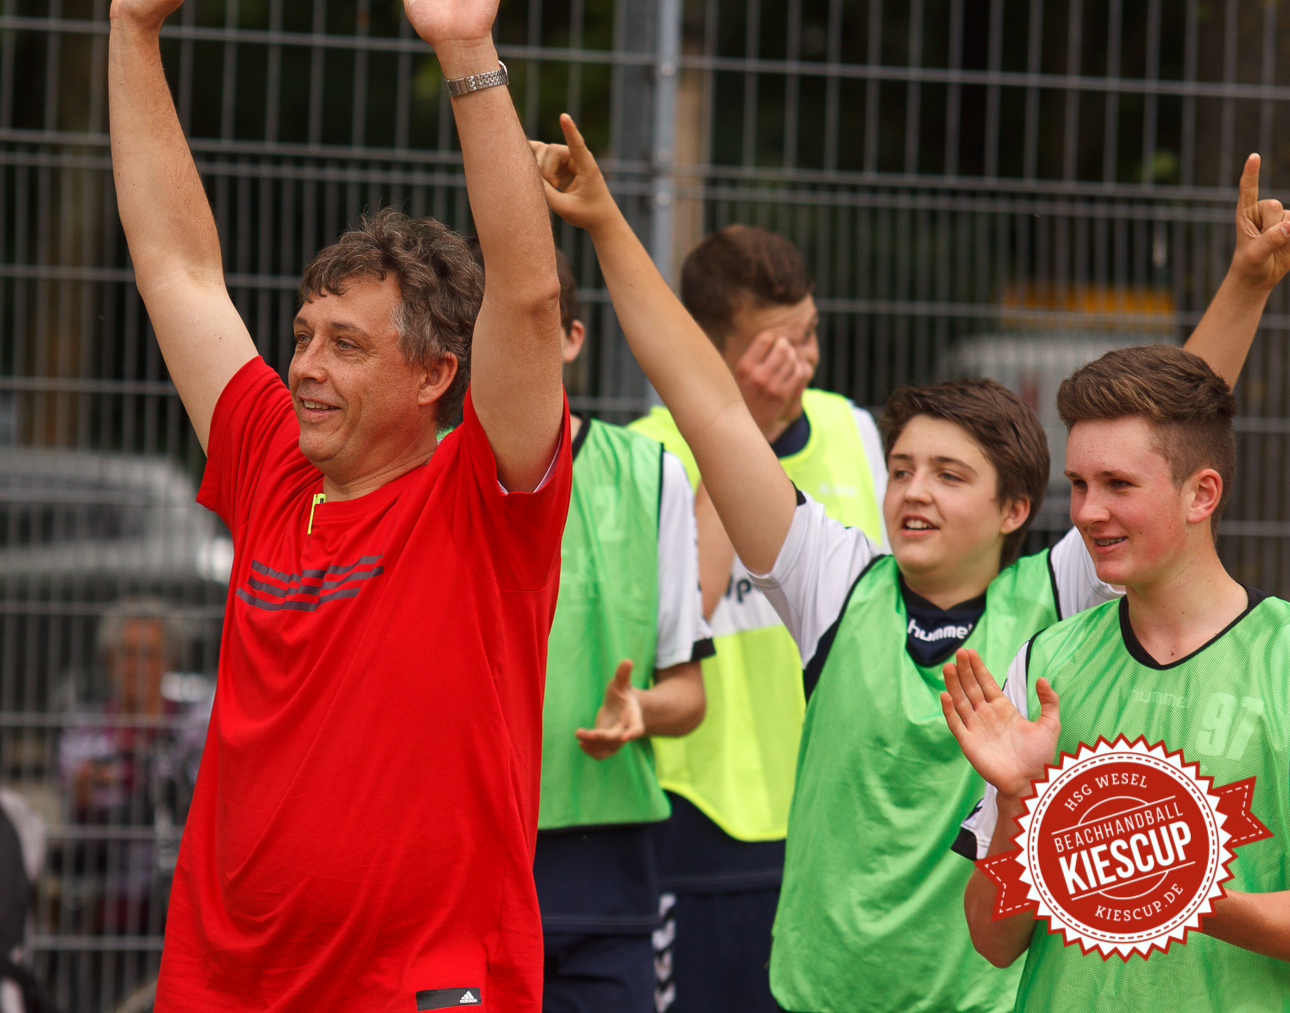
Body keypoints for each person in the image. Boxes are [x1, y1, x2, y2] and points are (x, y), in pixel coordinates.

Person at [530, 115, 1285, 1013]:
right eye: (900, 469)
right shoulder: (837, 585)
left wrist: (1245, 283)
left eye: (949, 474)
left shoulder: (1054, 602)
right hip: (820, 995)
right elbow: (714, 412)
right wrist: (608, 224)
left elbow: (1159, 445)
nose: (913, 492)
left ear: (1013, 511)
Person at [108, 0, 570, 1007]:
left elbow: (529, 296)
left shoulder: (484, 496)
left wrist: (466, 52)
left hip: (417, 985)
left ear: (434, 373)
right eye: (304, 335)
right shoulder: (272, 457)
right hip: (224, 980)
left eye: (347, 346)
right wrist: (132, 35)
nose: (305, 366)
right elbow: (175, 262)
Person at [945, 356, 1290, 1004]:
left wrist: (1167, 884)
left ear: (1202, 494)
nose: (1086, 511)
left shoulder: (1283, 659)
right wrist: (1019, 801)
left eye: (1118, 484)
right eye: (1078, 483)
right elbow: (993, 940)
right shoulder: (1047, 661)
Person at [629, 226, 885, 1013]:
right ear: (710, 347)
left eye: (809, 335)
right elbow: (675, 622)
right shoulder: (649, 456)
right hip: (703, 828)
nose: (801, 364)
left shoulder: (857, 431)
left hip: (838, 823)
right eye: (776, 347)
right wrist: (748, 430)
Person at [493, 248, 711, 1011]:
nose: (514, 345)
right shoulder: (429, 474)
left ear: (573, 339)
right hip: (467, 856)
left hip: (607, 865)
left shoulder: (652, 474)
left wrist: (641, 711)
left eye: (536, 324)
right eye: (497, 326)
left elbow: (688, 692)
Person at [57, 597, 208, 938]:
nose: (137, 666)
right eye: (126, 654)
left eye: (150, 655)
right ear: (109, 661)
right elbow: (75, 797)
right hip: (105, 892)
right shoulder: (85, 726)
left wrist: (113, 781)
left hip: (180, 894)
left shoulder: (194, 724)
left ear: (170, 661)